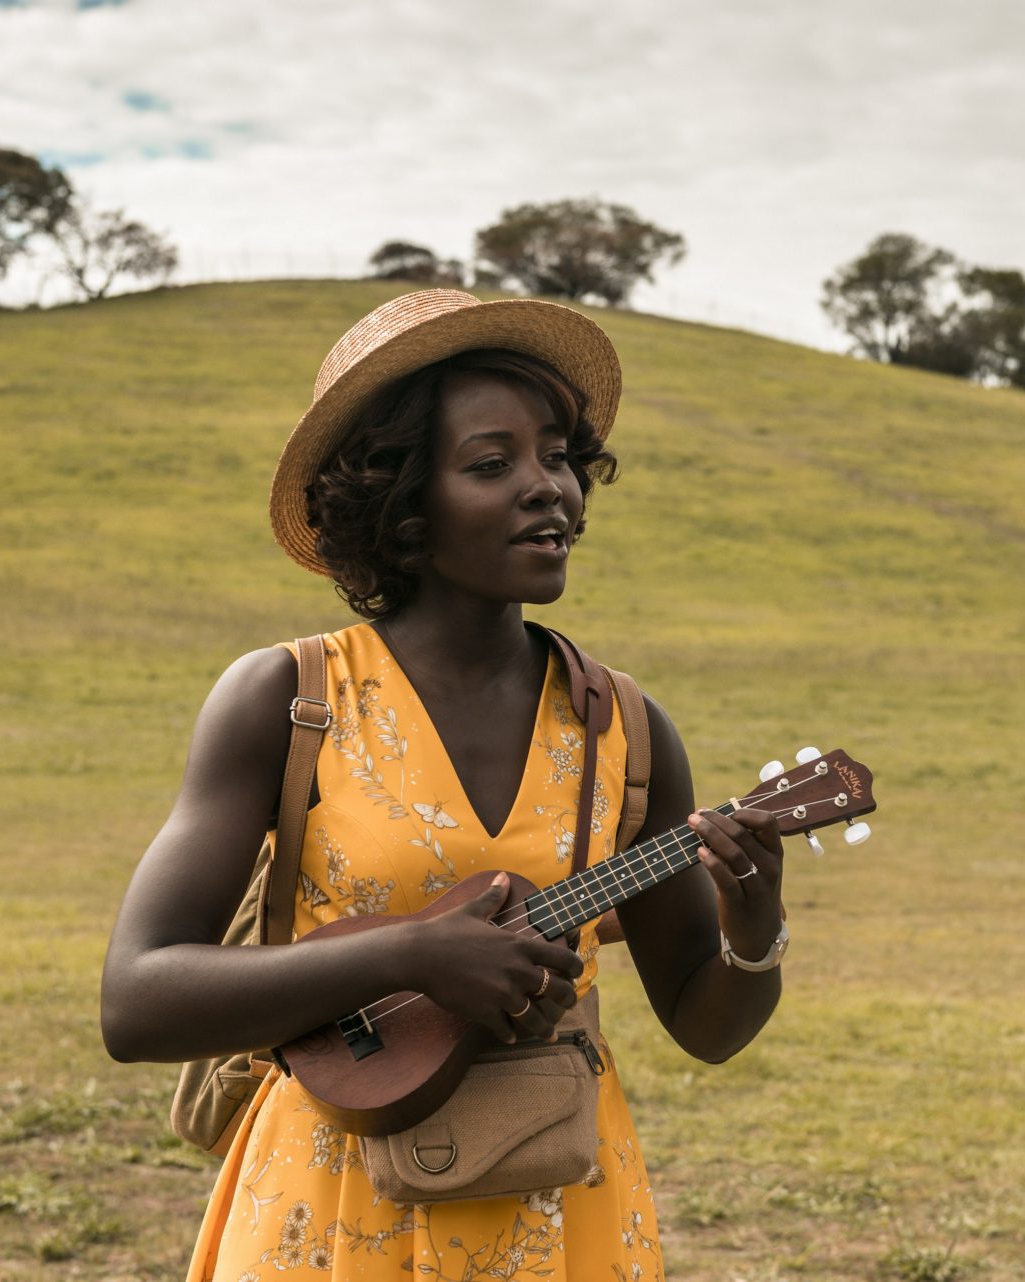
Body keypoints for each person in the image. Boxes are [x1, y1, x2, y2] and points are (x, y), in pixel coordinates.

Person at [100, 289, 791, 1282]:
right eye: (491, 463)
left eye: (558, 455)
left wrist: (755, 924)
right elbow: (137, 999)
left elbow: (706, 1022)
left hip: (559, 1211)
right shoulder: (290, 698)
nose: (547, 486)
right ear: (401, 502)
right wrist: (414, 956)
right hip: (332, 1212)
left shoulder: (626, 729)